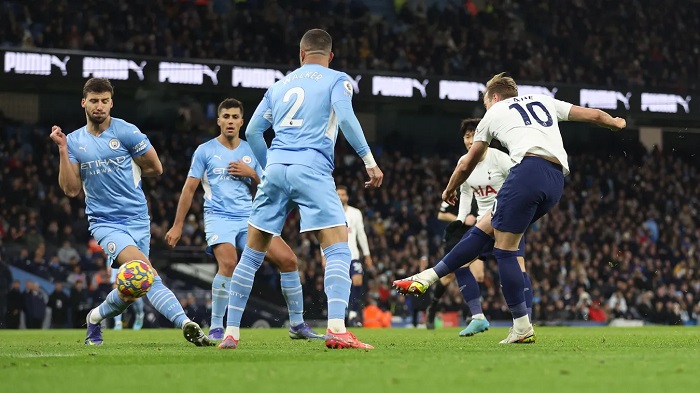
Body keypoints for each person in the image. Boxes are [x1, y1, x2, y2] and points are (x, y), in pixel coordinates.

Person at [394, 72, 625, 343]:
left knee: (504, 250)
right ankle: (427, 277)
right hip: (555, 181)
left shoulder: (493, 114)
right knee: (484, 227)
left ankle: (521, 326)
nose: (486, 109)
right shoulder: (544, 99)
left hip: (527, 170)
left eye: (485, 103)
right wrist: (615, 123)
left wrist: (450, 188)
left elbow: (466, 163)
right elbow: (595, 116)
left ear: (493, 97)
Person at [218, 28, 383, 350]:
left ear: (301, 54)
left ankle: (231, 332)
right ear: (330, 56)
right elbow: (346, 117)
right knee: (337, 246)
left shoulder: (278, 86)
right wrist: (369, 160)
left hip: (277, 169)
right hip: (312, 168)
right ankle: (336, 328)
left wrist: (267, 169)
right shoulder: (338, 79)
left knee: (250, 256)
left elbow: (253, 131)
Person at [49, 77, 212, 346]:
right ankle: (186, 323)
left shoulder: (127, 132)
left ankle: (94, 317)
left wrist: (128, 174)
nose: (99, 106)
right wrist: (63, 150)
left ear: (111, 103)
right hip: (105, 223)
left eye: (104, 101)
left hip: (138, 218)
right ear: (84, 103)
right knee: (146, 271)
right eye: (93, 101)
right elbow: (70, 189)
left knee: (131, 292)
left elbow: (156, 168)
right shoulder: (75, 141)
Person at [165, 98, 322, 341]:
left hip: (250, 217)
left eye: (235, 117)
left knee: (289, 260)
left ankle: (298, 324)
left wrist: (252, 174)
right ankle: (217, 326)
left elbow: (271, 184)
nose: (230, 121)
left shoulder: (252, 150)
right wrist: (177, 225)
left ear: (242, 121)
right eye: (225, 116)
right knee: (228, 263)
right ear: (218, 120)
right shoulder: (204, 151)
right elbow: (188, 190)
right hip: (219, 218)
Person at [425, 119, 531, 336]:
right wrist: (460, 221)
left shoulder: (499, 158)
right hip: (483, 224)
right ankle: (477, 317)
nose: (470, 140)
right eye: (466, 136)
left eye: (474, 135)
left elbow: (519, 183)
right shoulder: (464, 163)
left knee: (518, 269)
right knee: (460, 264)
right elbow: (465, 193)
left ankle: (524, 320)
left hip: (506, 220)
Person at [327, 185, 372, 327]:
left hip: (353, 255)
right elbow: (324, 234)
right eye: (338, 194)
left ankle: (352, 313)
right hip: (336, 254)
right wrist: (323, 255)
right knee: (338, 284)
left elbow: (361, 234)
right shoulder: (330, 212)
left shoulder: (355, 213)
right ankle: (339, 314)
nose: (341, 197)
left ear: (347, 197)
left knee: (357, 281)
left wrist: (367, 254)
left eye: (343, 194)